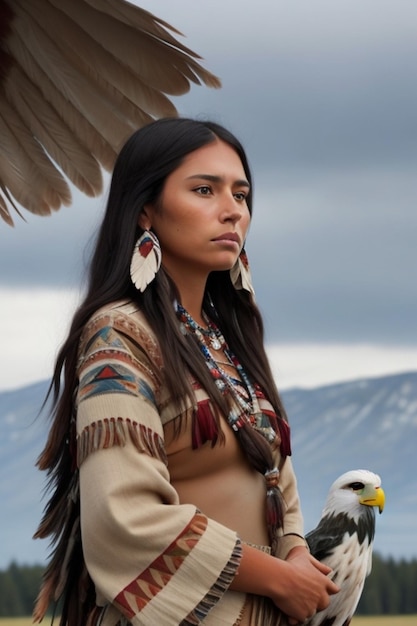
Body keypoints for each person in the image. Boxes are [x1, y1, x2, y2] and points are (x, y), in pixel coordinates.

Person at [33, 118, 339, 626]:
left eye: (241, 195)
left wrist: (296, 552)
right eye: (205, 190)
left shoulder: (229, 340)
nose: (232, 211)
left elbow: (273, 474)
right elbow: (125, 516)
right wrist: (278, 578)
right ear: (146, 211)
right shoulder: (120, 336)